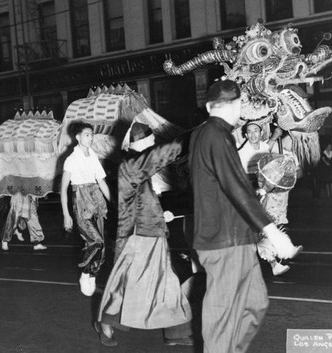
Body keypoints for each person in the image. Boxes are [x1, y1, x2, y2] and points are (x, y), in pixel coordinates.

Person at [188, 80, 302, 353]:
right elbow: (232, 185)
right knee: (224, 319)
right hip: (223, 241)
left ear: (207, 106)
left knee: (255, 302)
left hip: (233, 236)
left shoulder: (207, 134)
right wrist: (273, 232)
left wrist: (258, 192)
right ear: (240, 106)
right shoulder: (216, 135)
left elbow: (223, 187)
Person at [95, 122, 193, 347]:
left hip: (150, 231)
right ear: (142, 142)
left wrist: (160, 213)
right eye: (150, 141)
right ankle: (106, 323)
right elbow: (163, 154)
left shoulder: (133, 164)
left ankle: (176, 332)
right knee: (126, 285)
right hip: (137, 237)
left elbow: (142, 200)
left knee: (166, 281)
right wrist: (193, 135)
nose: (153, 144)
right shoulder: (131, 164)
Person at [60, 121, 112, 296]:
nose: (90, 138)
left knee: (103, 245)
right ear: (78, 137)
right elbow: (63, 190)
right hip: (81, 201)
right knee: (95, 241)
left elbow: (102, 182)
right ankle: (84, 274)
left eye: (92, 135)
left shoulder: (94, 156)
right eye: (87, 134)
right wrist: (66, 214)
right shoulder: (71, 160)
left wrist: (113, 202)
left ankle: (92, 275)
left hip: (96, 199)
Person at [237, 122, 295, 276]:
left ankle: (276, 258)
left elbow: (268, 148)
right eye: (249, 132)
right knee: (257, 231)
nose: (253, 134)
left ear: (260, 132)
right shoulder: (242, 153)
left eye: (256, 130)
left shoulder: (263, 146)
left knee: (267, 225)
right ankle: (275, 258)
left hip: (265, 192)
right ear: (245, 135)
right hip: (250, 193)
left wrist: (277, 134)